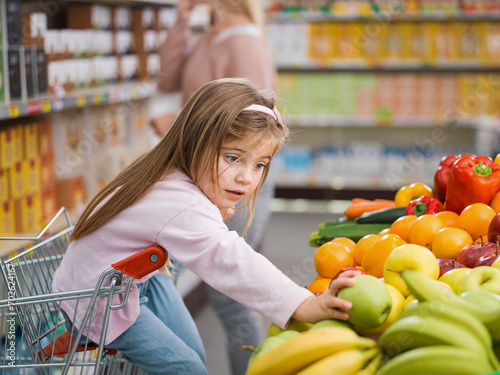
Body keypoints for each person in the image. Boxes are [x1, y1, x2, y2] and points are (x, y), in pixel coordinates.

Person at [52, 78, 360, 375]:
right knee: (188, 368)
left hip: (131, 280)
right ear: (195, 143)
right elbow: (230, 260)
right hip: (98, 297)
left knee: (193, 356)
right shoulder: (182, 202)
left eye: (259, 164)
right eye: (233, 157)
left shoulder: (171, 174)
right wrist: (302, 304)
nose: (247, 178)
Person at [150, 1, 279, 372]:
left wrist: (178, 126)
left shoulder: (244, 43)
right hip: (203, 177)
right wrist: (181, 19)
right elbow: (166, 79)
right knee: (189, 288)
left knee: (230, 294)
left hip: (236, 184)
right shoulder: (211, 35)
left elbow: (252, 127)